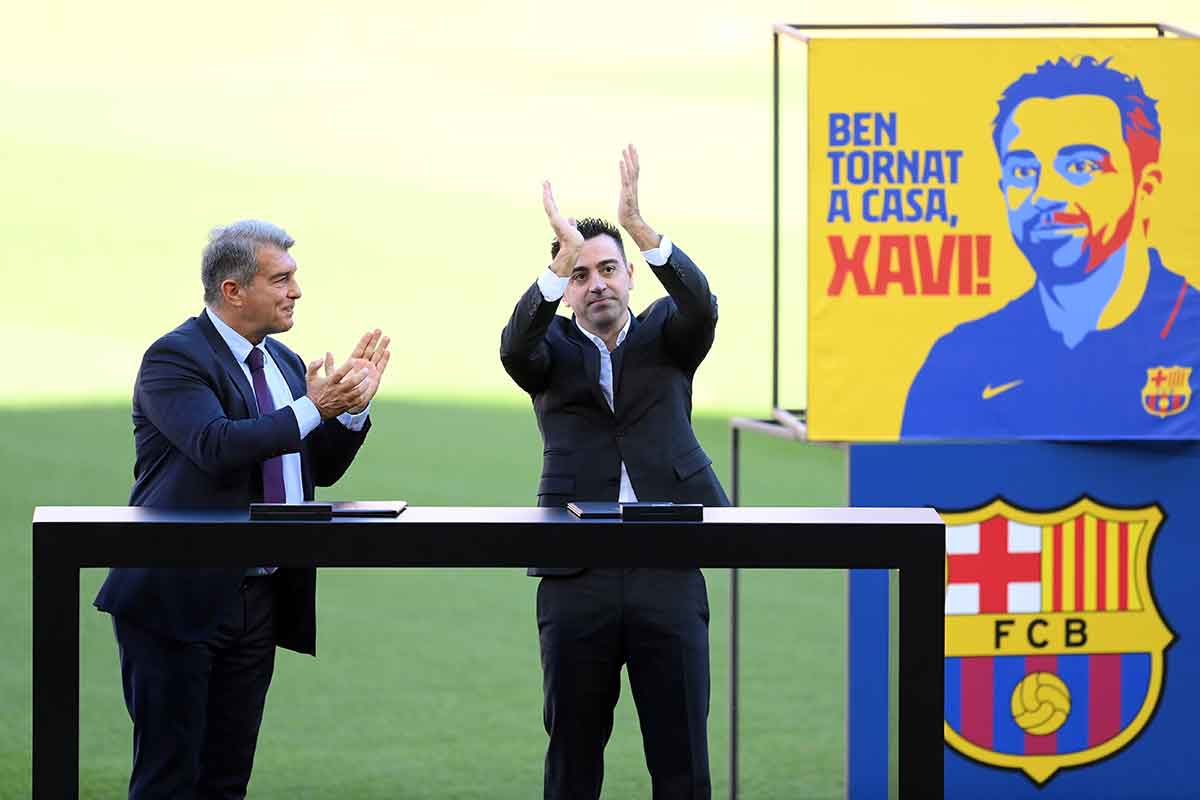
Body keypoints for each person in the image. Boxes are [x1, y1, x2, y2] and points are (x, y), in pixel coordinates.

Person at [94, 220, 390, 799]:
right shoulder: (174, 358)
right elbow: (216, 445)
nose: (296, 291)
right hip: (177, 597)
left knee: (226, 782)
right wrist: (314, 407)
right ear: (232, 290)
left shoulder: (282, 361)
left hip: (257, 600)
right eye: (280, 279)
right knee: (168, 781)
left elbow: (313, 467)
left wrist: (350, 408)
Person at [500, 145, 729, 799]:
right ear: (565, 289)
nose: (596, 283)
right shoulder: (548, 350)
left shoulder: (668, 335)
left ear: (630, 275)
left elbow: (702, 306)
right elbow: (515, 347)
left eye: (607, 269)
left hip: (668, 566)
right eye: (580, 274)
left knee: (682, 757)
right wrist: (557, 261)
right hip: (577, 577)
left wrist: (638, 225)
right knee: (573, 755)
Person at [901, 56, 1199, 438]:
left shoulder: (1189, 332)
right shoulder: (958, 365)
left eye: (1081, 167)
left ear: (1146, 187)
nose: (1045, 194)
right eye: (1024, 171)